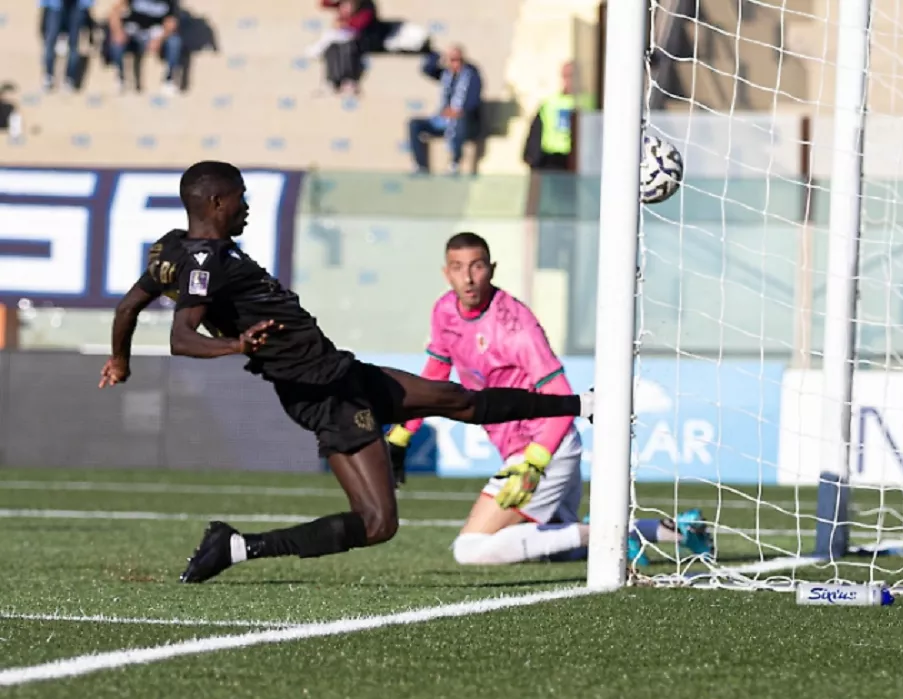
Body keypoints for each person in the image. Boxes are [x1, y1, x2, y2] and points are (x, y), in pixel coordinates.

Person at [98, 160, 595, 584]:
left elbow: (128, 308)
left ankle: (582, 405)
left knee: (458, 399)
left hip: (341, 371)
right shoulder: (206, 263)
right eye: (240, 198)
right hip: (322, 394)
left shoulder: (174, 249)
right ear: (216, 202)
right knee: (379, 524)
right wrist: (236, 343)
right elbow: (181, 338)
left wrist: (120, 359)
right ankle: (238, 547)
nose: (247, 206)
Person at [385, 233, 713, 566]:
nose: (468, 278)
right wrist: (400, 436)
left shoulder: (515, 324)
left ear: (492, 269)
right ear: (446, 273)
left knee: (471, 549)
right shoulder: (444, 311)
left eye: (477, 266)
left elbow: (560, 397)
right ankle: (677, 530)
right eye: (458, 268)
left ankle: (610, 532)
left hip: (543, 449)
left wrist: (535, 462)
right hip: (529, 452)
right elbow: (434, 377)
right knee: (555, 546)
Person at [407, 45, 482, 176]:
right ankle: (421, 165)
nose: (455, 63)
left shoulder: (471, 76)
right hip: (443, 119)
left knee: (459, 121)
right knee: (415, 124)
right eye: (451, 60)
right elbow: (427, 69)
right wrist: (436, 55)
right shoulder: (446, 75)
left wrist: (457, 111)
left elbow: (474, 100)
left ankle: (455, 162)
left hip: (465, 121)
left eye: (458, 60)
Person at [107, 0, 183, 95]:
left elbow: (172, 23)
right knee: (116, 43)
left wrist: (159, 39)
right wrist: (118, 31)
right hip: (134, 31)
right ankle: (121, 77)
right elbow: (114, 12)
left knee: (175, 41)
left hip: (156, 32)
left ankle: (169, 79)